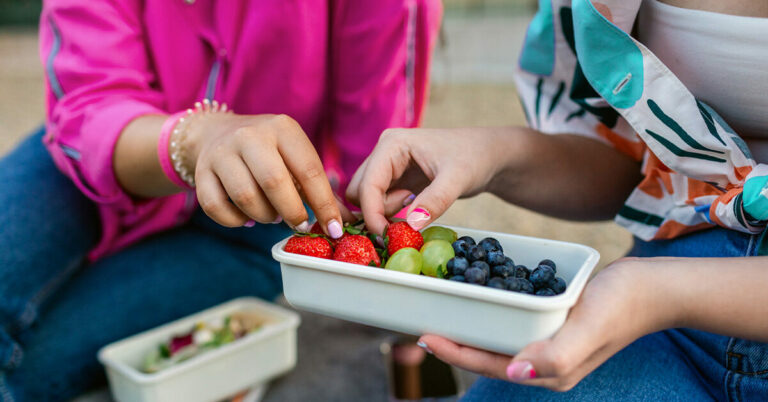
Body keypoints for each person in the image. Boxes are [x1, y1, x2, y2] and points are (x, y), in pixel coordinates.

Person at [0, 1, 441, 400]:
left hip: (259, 213)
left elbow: (375, 163)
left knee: (32, 371)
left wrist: (398, 305)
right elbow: (92, 101)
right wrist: (194, 140)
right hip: (94, 159)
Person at [348, 0, 768, 400]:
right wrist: (491, 155)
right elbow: (633, 168)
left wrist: (658, 294)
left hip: (658, 296)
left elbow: (652, 291)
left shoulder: (651, 290)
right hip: (666, 315)